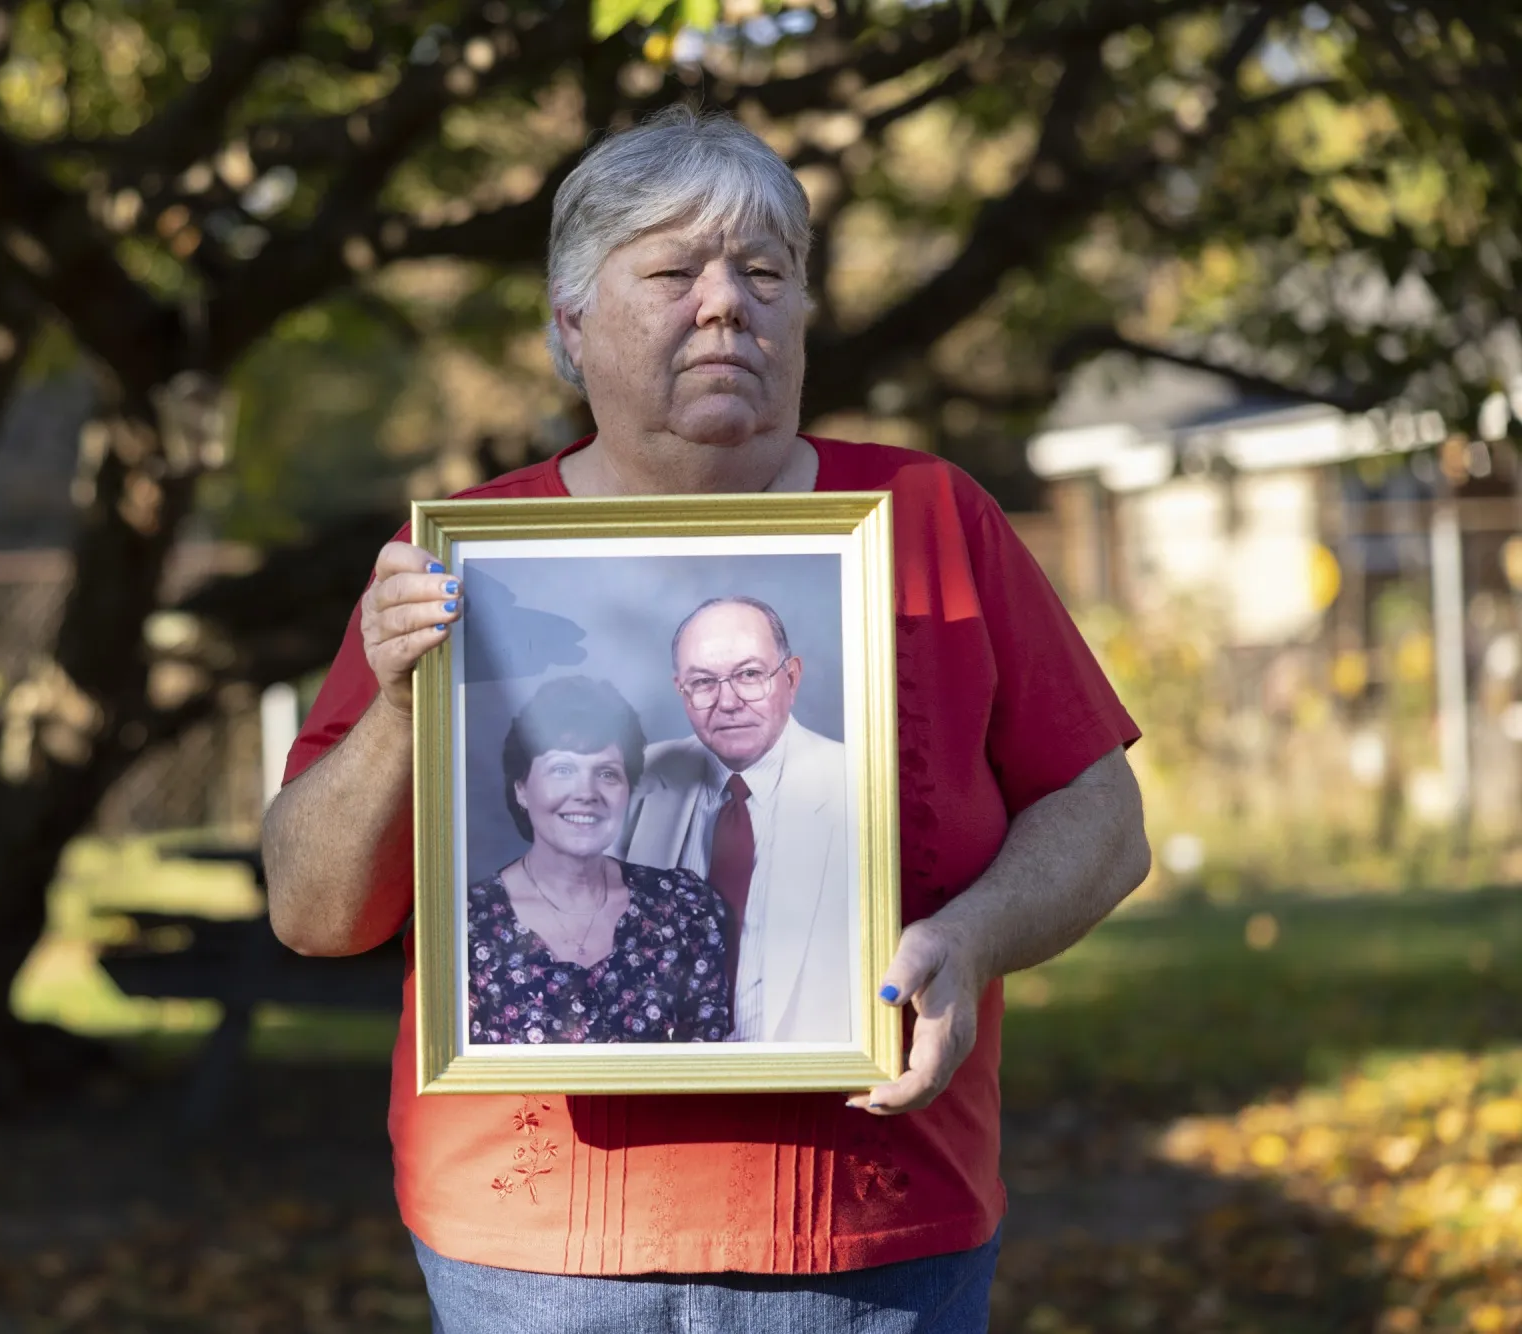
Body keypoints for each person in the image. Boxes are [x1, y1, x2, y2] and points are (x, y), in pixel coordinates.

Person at [264, 105, 1149, 1332]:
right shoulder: (462, 560)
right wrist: (396, 713)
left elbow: (1102, 813)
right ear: (570, 326)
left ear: (801, 316)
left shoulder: (932, 518)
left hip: (873, 1230)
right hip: (531, 1250)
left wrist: (975, 936)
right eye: (674, 271)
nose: (725, 303)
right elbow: (312, 910)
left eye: (764, 274)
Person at [619, 595, 850, 1043]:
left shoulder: (859, 783)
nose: (727, 702)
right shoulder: (638, 779)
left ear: (791, 677)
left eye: (749, 675)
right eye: (703, 682)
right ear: (680, 691)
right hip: (660, 1089)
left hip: (807, 1091)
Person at [469, 674, 731, 1045]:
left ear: (628, 789)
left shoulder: (685, 909)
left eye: (607, 773)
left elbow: (709, 1068)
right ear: (522, 789)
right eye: (562, 770)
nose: (586, 793)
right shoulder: (467, 923)